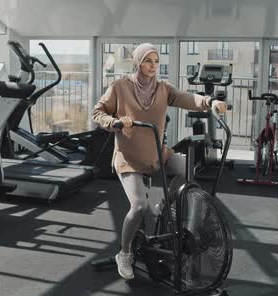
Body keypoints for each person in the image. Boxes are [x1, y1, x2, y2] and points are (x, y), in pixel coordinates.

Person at [92, 43, 227, 280]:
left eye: (156, 61)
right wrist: (113, 123)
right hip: (129, 158)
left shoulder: (163, 89)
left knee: (186, 169)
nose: (153, 66)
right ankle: (124, 254)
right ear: (137, 62)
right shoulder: (120, 86)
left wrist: (210, 102)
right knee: (138, 207)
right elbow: (98, 112)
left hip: (156, 152)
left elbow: (187, 98)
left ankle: (164, 207)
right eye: (147, 61)